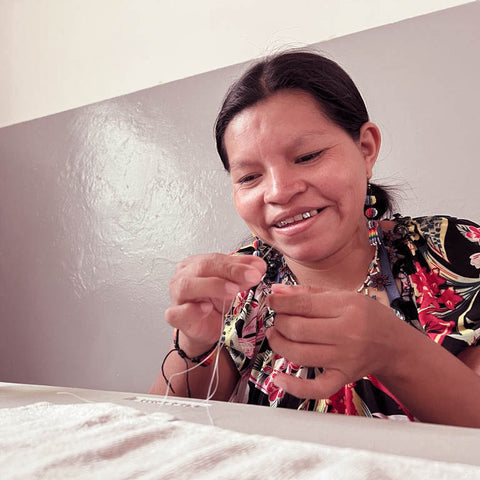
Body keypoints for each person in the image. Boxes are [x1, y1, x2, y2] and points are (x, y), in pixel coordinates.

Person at [149, 50, 480, 427]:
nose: (278, 191)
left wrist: (396, 351)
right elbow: (163, 432)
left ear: (365, 148)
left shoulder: (457, 255)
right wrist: (195, 344)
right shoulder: (243, 287)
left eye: (306, 156)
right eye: (249, 177)